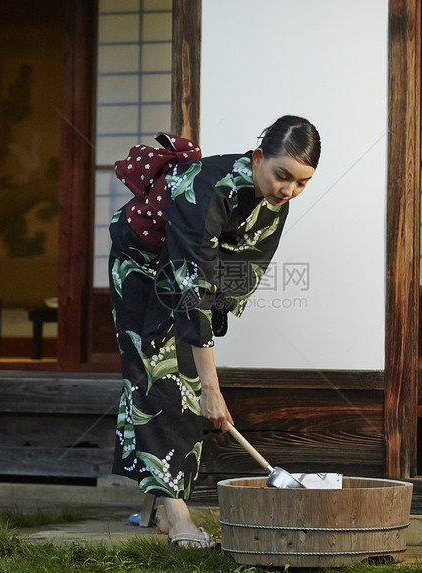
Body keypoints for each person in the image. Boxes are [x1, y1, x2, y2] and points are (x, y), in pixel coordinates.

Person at [108, 115, 321, 547]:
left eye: (301, 183)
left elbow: (245, 267)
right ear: (259, 156)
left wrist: (207, 356)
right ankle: (177, 513)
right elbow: (192, 285)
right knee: (160, 375)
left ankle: (166, 507)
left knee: (183, 372)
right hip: (142, 267)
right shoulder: (204, 187)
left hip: (186, 277)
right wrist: (211, 386)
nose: (288, 191)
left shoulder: (274, 202)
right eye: (282, 176)